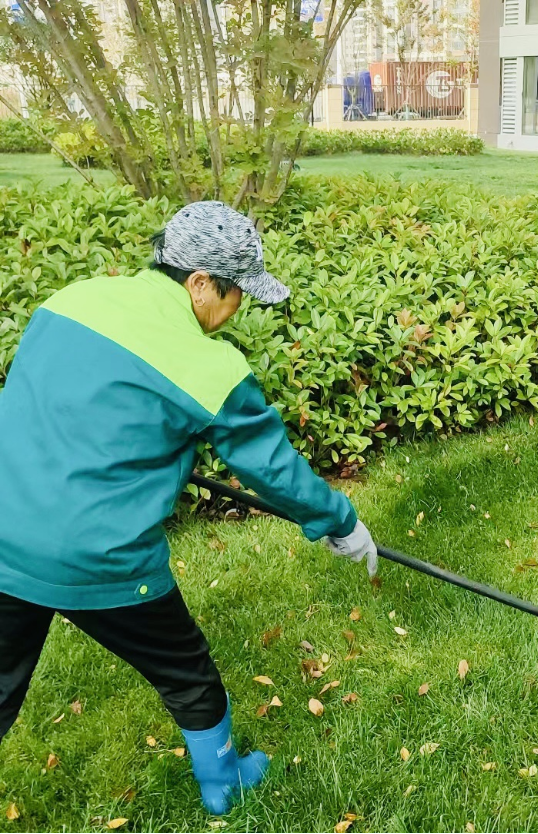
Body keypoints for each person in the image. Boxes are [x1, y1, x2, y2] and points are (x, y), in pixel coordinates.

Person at [0, 201, 378, 815]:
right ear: (200, 282)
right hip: (99, 554)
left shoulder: (74, 299)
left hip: (4, 530)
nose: (236, 312)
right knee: (187, 673)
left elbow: (49, 398)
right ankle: (226, 786)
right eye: (235, 296)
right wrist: (340, 522)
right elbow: (273, 470)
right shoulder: (209, 366)